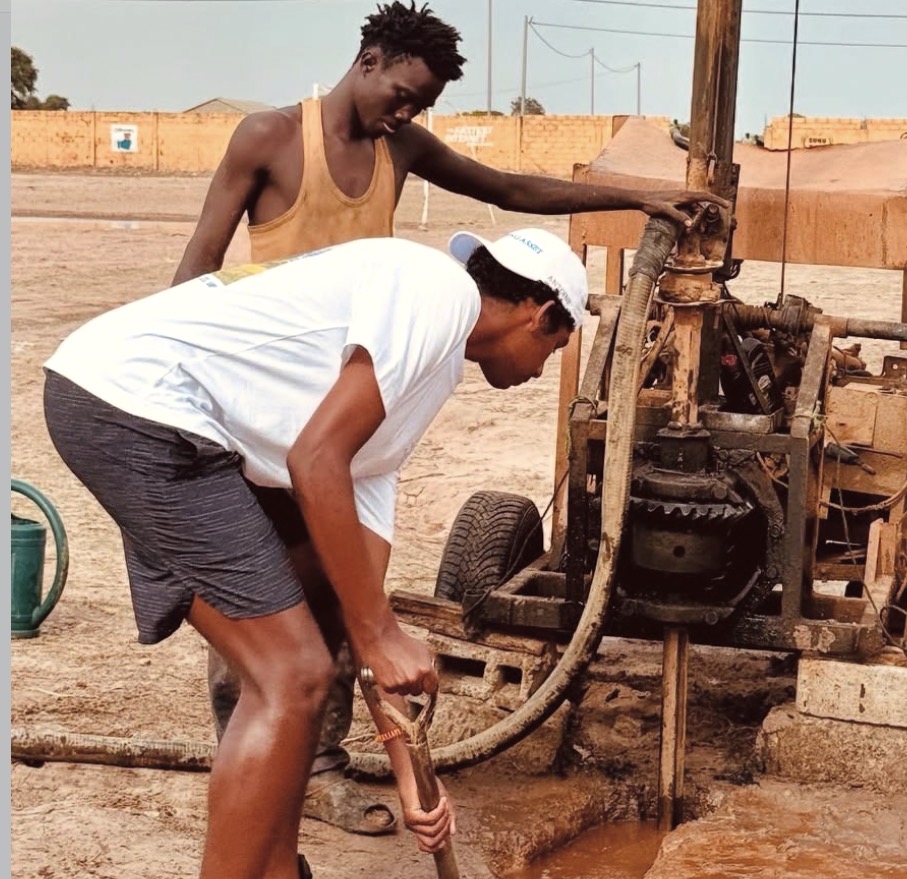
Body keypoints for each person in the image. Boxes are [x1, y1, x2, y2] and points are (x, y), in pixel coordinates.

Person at [170, 0, 726, 837]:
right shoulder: (269, 138)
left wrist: (640, 196)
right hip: (270, 393)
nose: (407, 113)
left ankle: (317, 766)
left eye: (421, 105)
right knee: (260, 600)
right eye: (402, 94)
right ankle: (256, 771)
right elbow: (197, 270)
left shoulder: (398, 148)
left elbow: (506, 189)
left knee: (342, 592)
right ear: (367, 58)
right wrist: (200, 392)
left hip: (354, 391)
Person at [43, 226, 591, 879]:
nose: (542, 369)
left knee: (311, 646)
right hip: (138, 406)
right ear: (540, 313)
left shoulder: (427, 367)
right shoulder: (441, 292)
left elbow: (359, 594)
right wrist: (381, 634)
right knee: (292, 671)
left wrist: (409, 769)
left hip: (146, 411)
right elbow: (315, 458)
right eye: (555, 346)